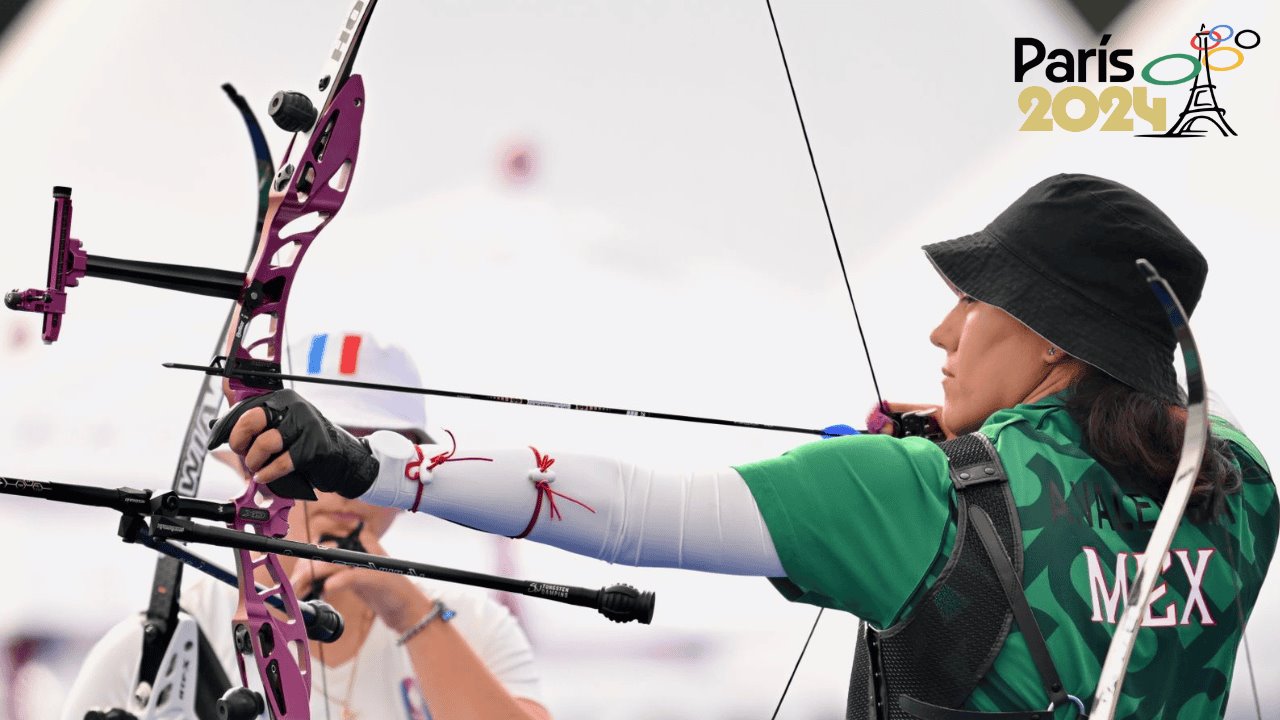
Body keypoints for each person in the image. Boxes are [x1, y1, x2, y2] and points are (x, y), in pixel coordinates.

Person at [213, 175, 1277, 719]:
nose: (942, 334)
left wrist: (368, 465)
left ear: (1049, 334)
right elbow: (1117, 466)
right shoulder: (1237, 488)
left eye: (973, 304)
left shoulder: (910, 499)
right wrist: (962, 446)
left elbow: (633, 508)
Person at [64, 332, 551, 720]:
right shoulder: (162, 639)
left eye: (371, 458)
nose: (342, 488)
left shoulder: (476, 628)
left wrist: (407, 612)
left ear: (414, 478)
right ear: (248, 460)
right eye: (311, 450)